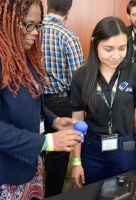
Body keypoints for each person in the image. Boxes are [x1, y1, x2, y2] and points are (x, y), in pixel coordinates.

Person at [0, 0, 83, 199]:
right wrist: (45, 142)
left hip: (24, 165)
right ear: (5, 21)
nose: (35, 32)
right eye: (28, 24)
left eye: (38, 25)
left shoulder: (20, 54)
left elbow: (31, 98)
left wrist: (54, 120)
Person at [70, 16, 136, 188]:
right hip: (92, 149)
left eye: (122, 48)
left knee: (124, 192)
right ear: (95, 43)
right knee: (92, 192)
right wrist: (76, 162)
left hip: (125, 148)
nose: (116, 56)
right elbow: (78, 120)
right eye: (108, 49)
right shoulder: (81, 76)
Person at [41, 0, 85, 197]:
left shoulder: (32, 31)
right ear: (68, 10)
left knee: (36, 151)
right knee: (58, 159)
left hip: (35, 102)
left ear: (47, 5)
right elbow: (79, 79)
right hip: (61, 104)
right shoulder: (68, 36)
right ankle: (53, 195)